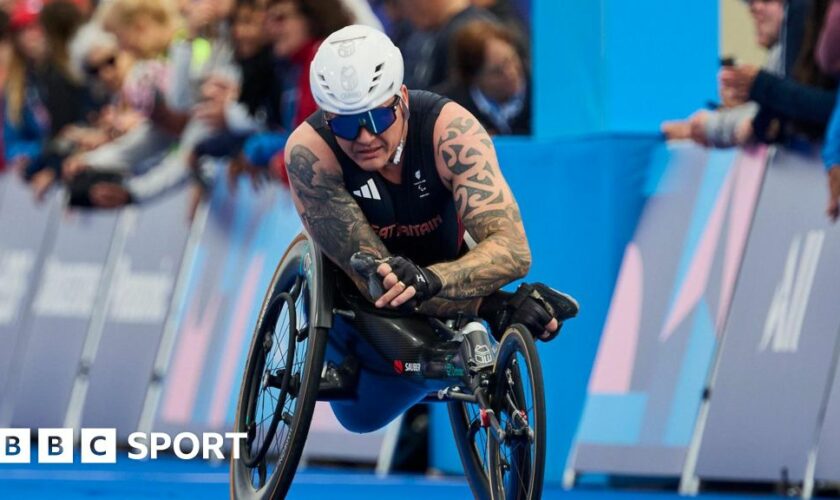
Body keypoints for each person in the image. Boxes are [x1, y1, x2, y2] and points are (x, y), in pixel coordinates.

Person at [285, 25, 578, 341]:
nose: (365, 137)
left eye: (378, 118)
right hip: (360, 301)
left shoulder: (451, 132)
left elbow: (514, 250)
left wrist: (430, 278)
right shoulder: (311, 154)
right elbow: (378, 285)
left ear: (403, 100)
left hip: (443, 267)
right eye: (345, 124)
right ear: (327, 119)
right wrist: (491, 305)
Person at [661, 0, 786, 147]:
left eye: (767, 0)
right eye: (750, 2)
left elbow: (761, 122)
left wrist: (707, 126)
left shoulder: (788, 51)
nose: (755, 8)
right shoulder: (778, 53)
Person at [441, 20, 530, 135]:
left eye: (512, 60)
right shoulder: (448, 110)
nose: (511, 72)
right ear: (473, 78)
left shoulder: (542, 94)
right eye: (497, 71)